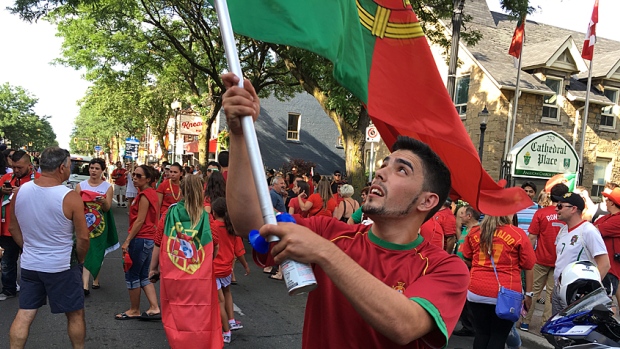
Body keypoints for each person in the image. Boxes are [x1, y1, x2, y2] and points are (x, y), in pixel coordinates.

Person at [221, 72, 469, 348]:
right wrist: (240, 135)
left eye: (401, 170)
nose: (381, 172)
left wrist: (325, 252)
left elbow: (404, 325)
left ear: (427, 201)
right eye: (385, 164)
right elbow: (248, 222)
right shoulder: (330, 232)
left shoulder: (447, 268)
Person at [8, 147, 90, 348]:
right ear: (62, 168)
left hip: (30, 264)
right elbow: (83, 238)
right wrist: (79, 259)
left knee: (25, 313)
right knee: (75, 314)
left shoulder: (20, 192)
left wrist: (27, 247)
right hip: (61, 266)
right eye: (69, 166)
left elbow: (12, 226)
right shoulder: (69, 197)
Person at [149, 174, 223, 348]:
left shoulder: (169, 214)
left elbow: (159, 243)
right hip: (199, 279)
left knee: (176, 317)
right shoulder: (206, 218)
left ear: (180, 190)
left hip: (173, 277)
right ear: (201, 191)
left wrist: (153, 269)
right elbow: (215, 245)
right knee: (199, 316)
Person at [461, 215, 535, 349]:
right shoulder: (517, 234)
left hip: (477, 289)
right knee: (499, 335)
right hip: (507, 292)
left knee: (481, 334)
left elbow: (467, 257)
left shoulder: (474, 232)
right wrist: (529, 294)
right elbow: (529, 265)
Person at [519, 183, 568, 331]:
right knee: (552, 295)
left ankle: (525, 322)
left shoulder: (541, 213)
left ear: (550, 195)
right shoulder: (568, 214)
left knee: (532, 291)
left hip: (540, 258)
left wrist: (525, 256)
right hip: (560, 260)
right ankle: (546, 324)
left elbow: (532, 237)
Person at [552, 192, 610, 315]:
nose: (556, 208)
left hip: (576, 293)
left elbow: (604, 264)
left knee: (570, 332)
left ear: (573, 209)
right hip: (558, 290)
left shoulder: (588, 231)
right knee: (557, 331)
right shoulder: (563, 230)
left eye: (560, 206)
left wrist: (589, 291)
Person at [115, 165, 161, 320]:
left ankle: (134, 309)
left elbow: (140, 220)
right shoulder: (151, 194)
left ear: (148, 179)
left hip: (141, 238)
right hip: (149, 239)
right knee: (143, 275)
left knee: (132, 274)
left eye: (139, 176)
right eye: (134, 175)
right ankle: (154, 307)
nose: (134, 178)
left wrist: (127, 241)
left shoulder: (144, 196)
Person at [0, 150, 41, 301]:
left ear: (29, 166)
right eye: (14, 167)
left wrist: (24, 192)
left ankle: (34, 289)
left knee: (31, 261)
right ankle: (9, 289)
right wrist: (1, 190)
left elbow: (45, 200)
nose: (16, 170)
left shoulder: (38, 180)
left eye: (20, 168)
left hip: (29, 229)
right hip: (7, 229)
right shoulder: (6, 178)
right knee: (7, 262)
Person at [211, 197, 250, 344]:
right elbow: (239, 251)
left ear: (214, 212)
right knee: (227, 293)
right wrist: (245, 265)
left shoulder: (212, 226)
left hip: (214, 269)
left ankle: (226, 331)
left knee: (219, 301)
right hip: (227, 268)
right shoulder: (231, 228)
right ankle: (232, 320)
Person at [75, 158, 114, 295]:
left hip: (100, 226)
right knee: (86, 250)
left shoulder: (107, 187)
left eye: (97, 168)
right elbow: (76, 207)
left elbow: (108, 208)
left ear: (102, 170)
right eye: (92, 168)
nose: (93, 171)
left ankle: (95, 278)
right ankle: (84, 285)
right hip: (84, 224)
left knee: (98, 250)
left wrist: (103, 201)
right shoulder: (81, 186)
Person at [452, 205, 480, 337]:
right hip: (462, 268)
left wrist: (467, 263)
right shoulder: (466, 229)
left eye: (463, 214)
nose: (461, 216)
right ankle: (467, 325)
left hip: (470, 269)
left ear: (469, 216)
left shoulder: (477, 231)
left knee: (467, 300)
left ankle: (471, 326)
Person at [595, 188, 620, 305]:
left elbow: (595, 231)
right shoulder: (608, 217)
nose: (605, 201)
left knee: (603, 304)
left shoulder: (617, 219)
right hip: (603, 267)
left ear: (613, 203)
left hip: (610, 270)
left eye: (608, 199)